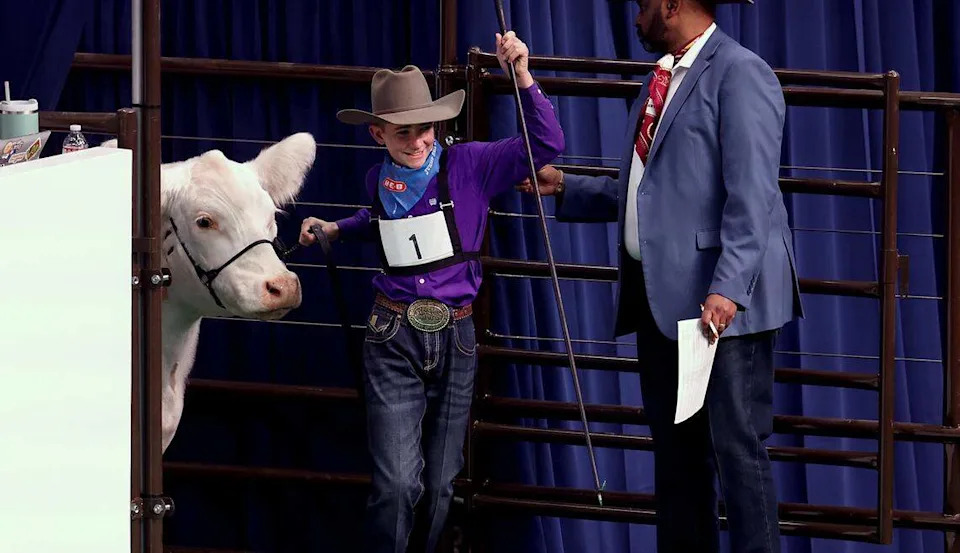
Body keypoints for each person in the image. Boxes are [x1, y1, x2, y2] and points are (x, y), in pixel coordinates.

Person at [517, 1, 802, 552]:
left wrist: (727, 289)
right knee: (677, 462)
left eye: (644, 4)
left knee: (737, 453)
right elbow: (650, 192)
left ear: (672, 4)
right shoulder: (662, 77)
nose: (636, 16)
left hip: (718, 310)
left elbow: (753, 196)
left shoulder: (740, 72)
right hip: (664, 304)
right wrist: (568, 187)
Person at [299, 32, 565, 553]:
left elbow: (547, 144)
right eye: (402, 133)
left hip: (457, 336)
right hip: (391, 333)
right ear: (378, 133)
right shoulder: (378, 178)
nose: (417, 141)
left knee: (441, 484)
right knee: (398, 484)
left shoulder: (472, 165)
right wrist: (335, 230)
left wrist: (523, 77)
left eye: (424, 129)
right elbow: (377, 222)